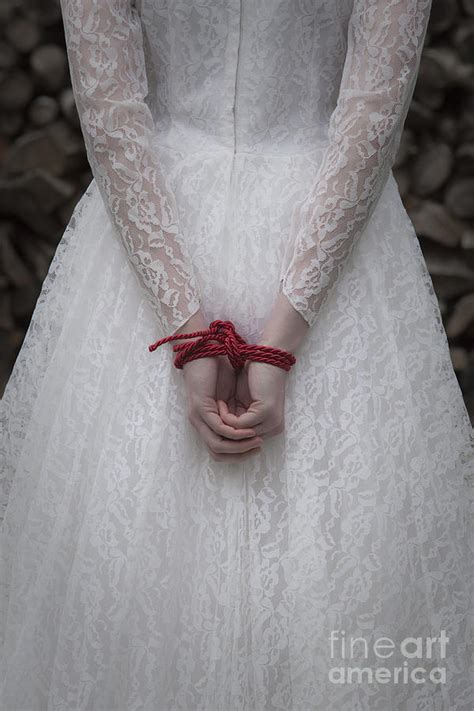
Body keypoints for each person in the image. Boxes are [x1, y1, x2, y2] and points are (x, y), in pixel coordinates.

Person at [1, 0, 473, 708]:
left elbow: (112, 110)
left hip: (164, 223)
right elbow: (372, 112)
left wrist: (193, 331)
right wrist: (276, 336)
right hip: (314, 224)